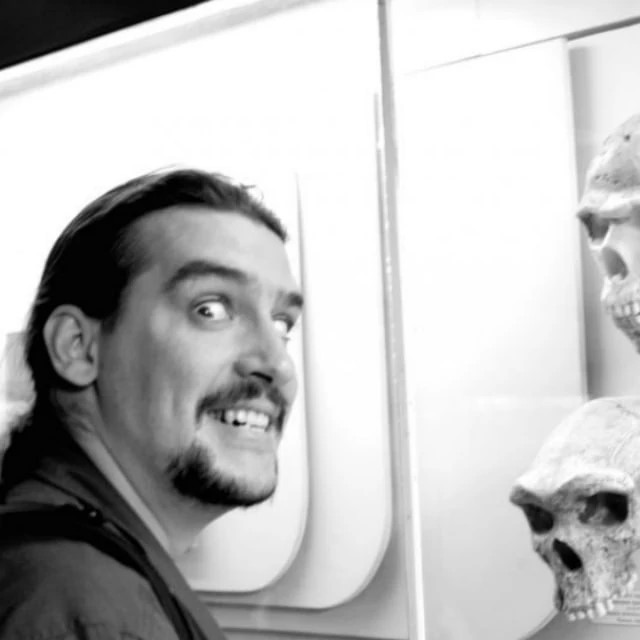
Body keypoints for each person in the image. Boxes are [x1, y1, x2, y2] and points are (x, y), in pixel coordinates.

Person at [0, 168, 303, 640]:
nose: (278, 364)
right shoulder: (80, 600)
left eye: (283, 323)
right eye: (211, 309)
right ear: (78, 347)